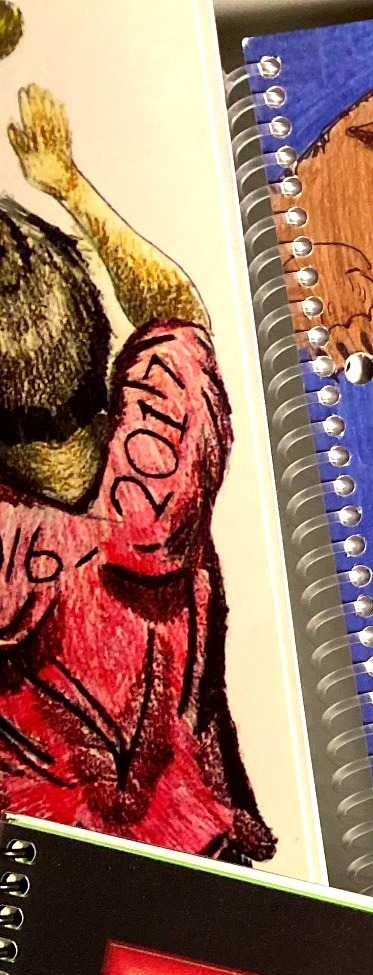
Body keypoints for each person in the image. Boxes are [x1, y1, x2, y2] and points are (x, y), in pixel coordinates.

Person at [0, 85, 273, 860]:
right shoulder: (163, 454)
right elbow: (173, 302)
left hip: (47, 891)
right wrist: (69, 185)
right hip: (210, 853)